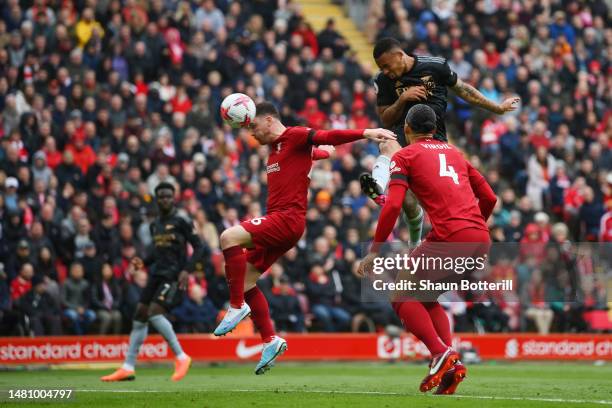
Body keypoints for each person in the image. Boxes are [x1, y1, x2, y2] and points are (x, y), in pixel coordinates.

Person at [213, 102, 395, 374]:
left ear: (269, 120)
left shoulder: (295, 135)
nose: (251, 132)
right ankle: (270, 340)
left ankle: (237, 306)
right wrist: (323, 154)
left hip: (286, 219)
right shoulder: (276, 149)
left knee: (228, 237)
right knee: (247, 278)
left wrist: (366, 132)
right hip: (284, 225)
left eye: (253, 125)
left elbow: (327, 136)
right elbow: (315, 152)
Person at [358, 105, 497, 395]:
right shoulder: (455, 153)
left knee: (401, 296)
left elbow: (395, 205)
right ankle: (451, 368)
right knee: (428, 298)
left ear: (407, 129)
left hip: (451, 237)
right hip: (480, 238)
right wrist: (472, 230)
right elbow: (489, 197)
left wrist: (374, 250)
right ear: (434, 128)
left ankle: (440, 354)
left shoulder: (405, 156)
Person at [361, 37, 519, 246]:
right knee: (387, 143)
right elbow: (386, 118)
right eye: (381, 68)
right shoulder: (383, 80)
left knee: (413, 201)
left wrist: (497, 108)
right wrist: (403, 99)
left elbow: (465, 91)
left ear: (399, 56)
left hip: (433, 139)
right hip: (404, 134)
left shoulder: (435, 66)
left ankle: (426, 237)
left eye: (387, 66)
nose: (386, 72)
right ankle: (379, 188)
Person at [101, 182, 205, 382]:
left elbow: (199, 248)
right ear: (157, 199)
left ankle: (182, 357)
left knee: (155, 312)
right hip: (156, 274)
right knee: (139, 314)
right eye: (161, 196)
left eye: (168, 196)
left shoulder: (182, 221)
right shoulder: (154, 224)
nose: (165, 199)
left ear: (173, 198)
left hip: (173, 275)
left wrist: (186, 270)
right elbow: (157, 253)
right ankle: (128, 367)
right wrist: (143, 261)